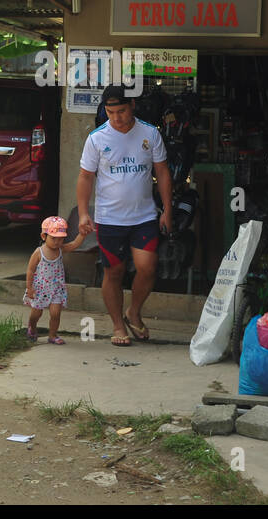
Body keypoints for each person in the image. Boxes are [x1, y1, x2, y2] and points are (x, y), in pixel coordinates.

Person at [77, 85, 173, 346]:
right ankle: (118, 326)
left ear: (132, 106)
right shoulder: (97, 138)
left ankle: (134, 311)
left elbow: (162, 172)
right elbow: (86, 176)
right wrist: (84, 213)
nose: (116, 117)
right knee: (114, 272)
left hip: (144, 216)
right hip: (109, 219)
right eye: (110, 112)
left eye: (121, 111)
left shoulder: (150, 133)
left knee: (147, 268)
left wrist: (167, 210)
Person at [24, 216, 85, 345]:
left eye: (61, 239)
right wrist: (29, 288)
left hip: (56, 288)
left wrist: (82, 234)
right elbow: (30, 270)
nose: (57, 242)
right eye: (54, 238)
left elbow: (74, 244)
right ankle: (32, 327)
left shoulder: (61, 250)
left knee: (56, 313)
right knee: (36, 313)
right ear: (44, 236)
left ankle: (52, 335)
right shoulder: (38, 252)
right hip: (40, 289)